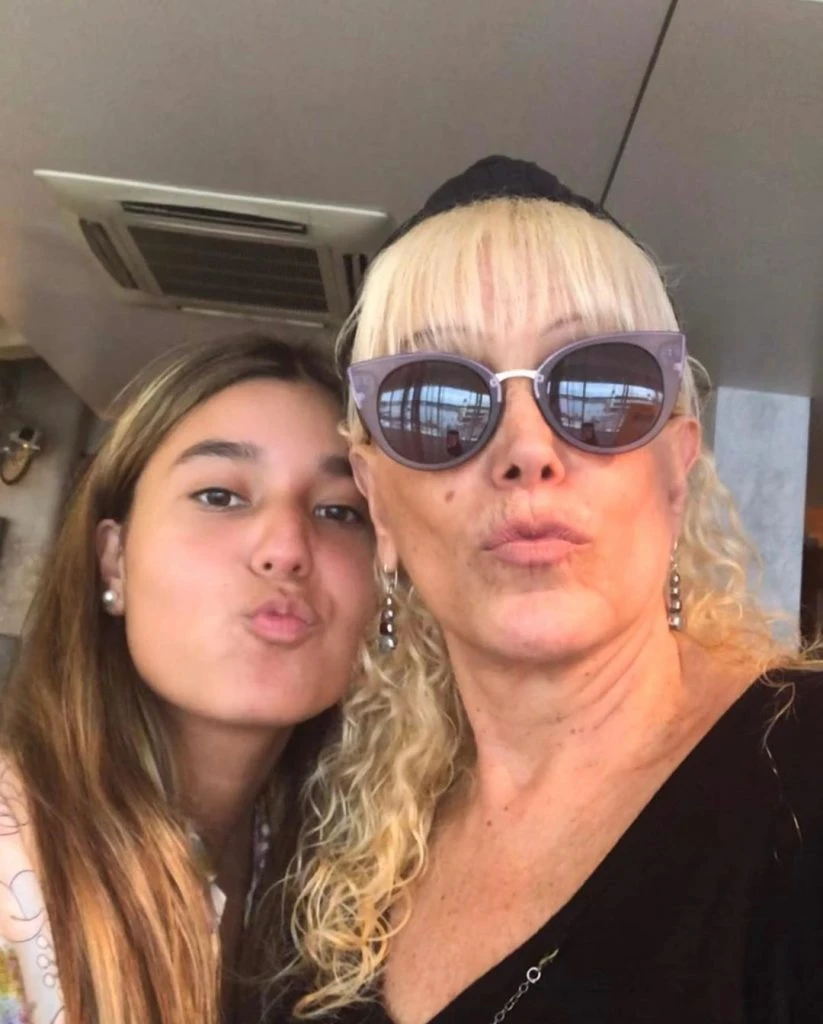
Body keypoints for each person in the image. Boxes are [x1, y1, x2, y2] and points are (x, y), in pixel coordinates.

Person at [285, 157, 823, 1023]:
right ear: (378, 500)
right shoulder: (342, 859)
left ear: (675, 471)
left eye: (598, 387)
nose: (527, 450)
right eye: (437, 401)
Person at [0, 334, 375, 1024]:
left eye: (338, 511)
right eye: (220, 496)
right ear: (114, 561)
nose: (286, 548)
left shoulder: (333, 864)